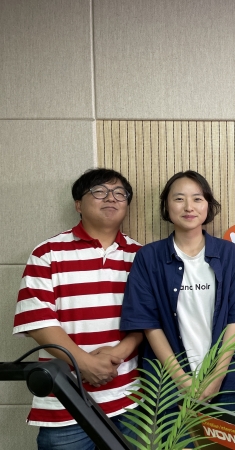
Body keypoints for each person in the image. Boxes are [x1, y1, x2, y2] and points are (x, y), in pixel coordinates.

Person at [13, 168, 143, 449]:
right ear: (78, 204)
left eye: (119, 193)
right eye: (99, 191)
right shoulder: (47, 253)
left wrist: (117, 355)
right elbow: (38, 322)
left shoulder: (141, 256)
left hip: (129, 400)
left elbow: (148, 319)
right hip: (65, 401)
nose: (111, 198)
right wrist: (85, 363)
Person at [120, 170, 235, 413]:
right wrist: (180, 379)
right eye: (179, 198)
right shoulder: (149, 257)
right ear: (166, 205)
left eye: (197, 198)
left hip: (223, 382)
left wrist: (216, 377)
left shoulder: (229, 254)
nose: (189, 206)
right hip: (166, 382)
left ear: (208, 205)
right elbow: (149, 324)